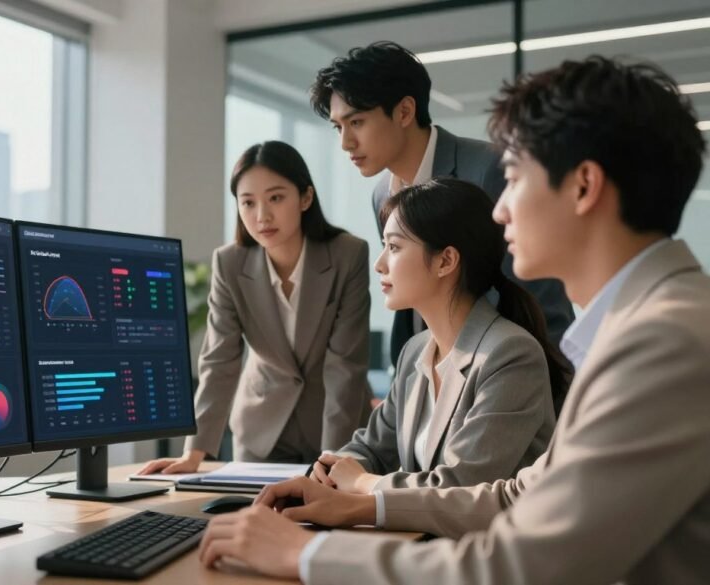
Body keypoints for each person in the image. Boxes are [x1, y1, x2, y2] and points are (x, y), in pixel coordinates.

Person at [198, 56, 710, 584]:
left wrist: (303, 556)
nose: (499, 209)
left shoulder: (664, 342)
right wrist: (358, 504)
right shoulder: (641, 329)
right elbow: (516, 494)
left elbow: (522, 564)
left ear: (583, 186)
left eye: (513, 179)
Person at [310, 41, 574, 367]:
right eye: (338, 127)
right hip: (433, 383)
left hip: (509, 378)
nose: (345, 143)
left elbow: (541, 302)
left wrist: (553, 396)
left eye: (357, 122)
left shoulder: (489, 171)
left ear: (405, 111)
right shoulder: (382, 194)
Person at [308, 178, 567, 495]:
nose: (379, 264)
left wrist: (362, 482)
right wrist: (333, 469)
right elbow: (373, 448)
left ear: (446, 261)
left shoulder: (511, 354)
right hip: (424, 538)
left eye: (394, 247)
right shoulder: (415, 351)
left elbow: (462, 485)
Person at [140, 141, 372, 471]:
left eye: (276, 198)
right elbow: (219, 359)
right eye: (248, 202)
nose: (261, 216)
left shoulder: (348, 254)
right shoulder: (230, 263)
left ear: (305, 198)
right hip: (262, 431)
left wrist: (334, 459)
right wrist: (195, 453)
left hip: (337, 427)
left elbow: (345, 366)